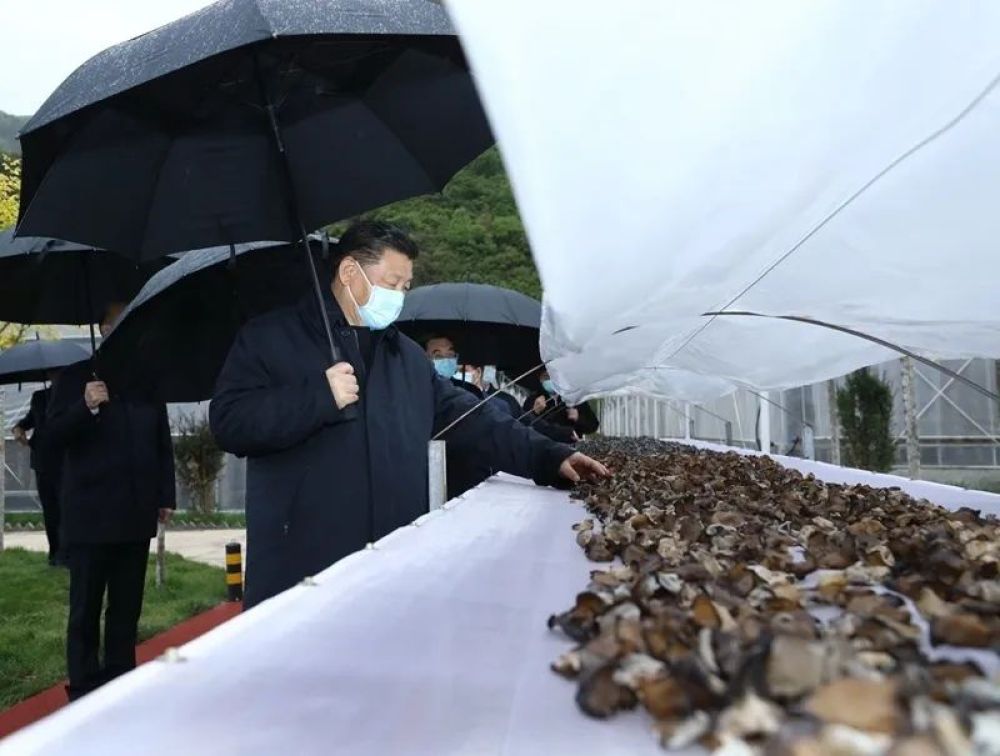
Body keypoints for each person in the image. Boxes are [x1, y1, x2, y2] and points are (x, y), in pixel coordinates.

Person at [211, 220, 607, 609]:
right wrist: (317, 397)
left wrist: (549, 457)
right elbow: (230, 423)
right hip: (302, 570)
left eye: (405, 287)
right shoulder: (271, 338)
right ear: (349, 272)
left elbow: (476, 420)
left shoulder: (406, 357)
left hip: (390, 564)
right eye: (391, 283)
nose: (398, 296)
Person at [46, 303, 176, 701]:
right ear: (103, 329)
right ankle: (84, 688)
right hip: (90, 515)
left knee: (126, 607)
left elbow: (162, 443)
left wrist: (165, 495)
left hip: (135, 513)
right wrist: (85, 407)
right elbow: (51, 438)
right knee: (85, 608)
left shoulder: (146, 381)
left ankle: (120, 683)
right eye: (116, 324)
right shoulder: (74, 378)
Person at [14, 370, 65, 566]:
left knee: (65, 508)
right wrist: (18, 429)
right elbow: (28, 421)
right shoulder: (39, 397)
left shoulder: (73, 396)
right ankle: (55, 553)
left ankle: (68, 553)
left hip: (66, 462)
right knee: (50, 509)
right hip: (43, 461)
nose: (55, 376)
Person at [523, 368, 600, 437]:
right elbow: (523, 426)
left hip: (569, 445)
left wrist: (578, 418)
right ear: (540, 380)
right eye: (546, 377)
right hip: (542, 444)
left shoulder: (574, 398)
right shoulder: (533, 399)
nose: (550, 380)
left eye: (553, 376)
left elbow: (593, 426)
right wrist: (534, 412)